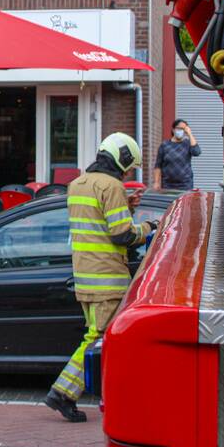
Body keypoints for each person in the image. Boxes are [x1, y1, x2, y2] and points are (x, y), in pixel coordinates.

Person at [45, 132, 155, 423]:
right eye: (129, 167)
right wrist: (146, 226)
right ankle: (63, 393)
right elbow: (122, 234)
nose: (128, 172)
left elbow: (97, 220)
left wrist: (126, 207)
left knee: (94, 337)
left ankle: (72, 393)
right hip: (108, 278)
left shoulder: (78, 184)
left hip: (85, 276)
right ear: (123, 159)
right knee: (97, 340)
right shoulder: (113, 186)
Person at [153, 119, 201, 190]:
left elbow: (196, 152)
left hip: (185, 184)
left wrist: (190, 134)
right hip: (168, 184)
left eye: (184, 129)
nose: (181, 130)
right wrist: (156, 182)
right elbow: (158, 165)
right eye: (179, 128)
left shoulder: (188, 143)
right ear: (173, 129)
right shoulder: (165, 145)